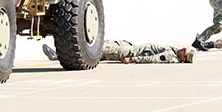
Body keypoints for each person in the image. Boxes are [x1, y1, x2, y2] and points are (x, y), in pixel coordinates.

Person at [43, 41, 194, 63]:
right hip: (128, 47)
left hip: (127, 52)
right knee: (97, 47)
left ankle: (57, 55)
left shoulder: (169, 56)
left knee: (96, 48)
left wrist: (132, 60)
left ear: (184, 58)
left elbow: (152, 59)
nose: (182, 49)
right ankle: (61, 54)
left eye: (184, 52)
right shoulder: (174, 52)